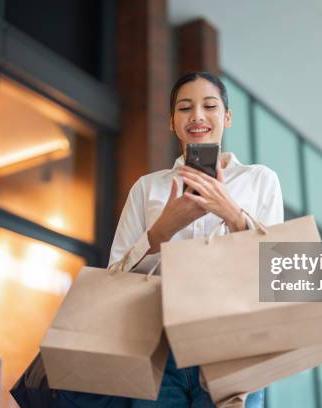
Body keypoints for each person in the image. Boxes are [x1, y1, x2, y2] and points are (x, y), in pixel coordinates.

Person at [108, 71, 284, 408]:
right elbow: (114, 275)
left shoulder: (260, 180)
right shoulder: (149, 187)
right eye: (185, 108)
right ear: (172, 122)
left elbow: (277, 271)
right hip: (158, 349)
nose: (197, 116)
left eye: (210, 106)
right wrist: (162, 231)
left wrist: (233, 214)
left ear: (227, 117)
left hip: (235, 347)